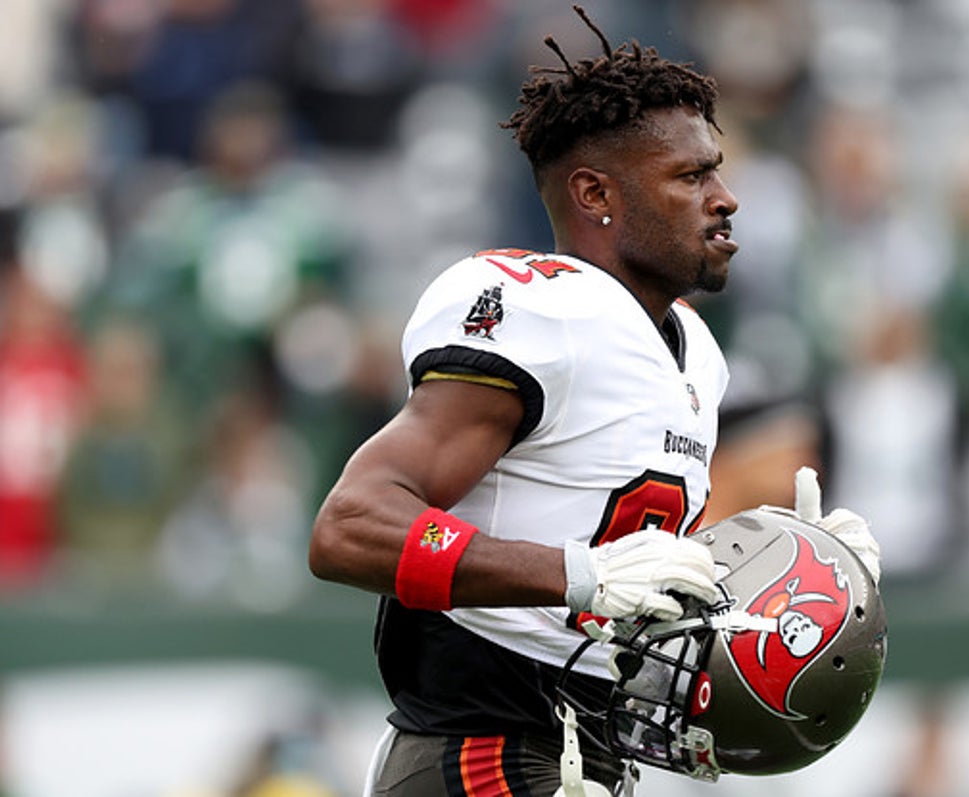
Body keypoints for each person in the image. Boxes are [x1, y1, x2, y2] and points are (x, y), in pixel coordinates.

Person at [310, 7, 878, 795]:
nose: (726, 197)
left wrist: (796, 563)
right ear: (595, 194)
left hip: (582, 752)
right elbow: (350, 526)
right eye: (691, 176)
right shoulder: (543, 312)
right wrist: (574, 574)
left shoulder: (694, 352)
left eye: (716, 169)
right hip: (483, 748)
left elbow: (621, 548)